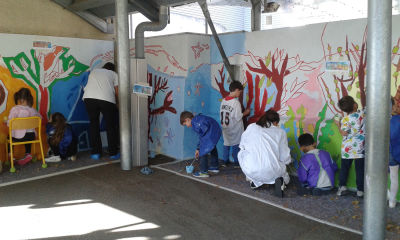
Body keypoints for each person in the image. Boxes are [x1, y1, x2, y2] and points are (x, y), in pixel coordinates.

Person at [238, 109, 292, 198]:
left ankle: (254, 181)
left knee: (242, 153)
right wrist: (287, 162)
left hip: (251, 169)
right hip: (272, 170)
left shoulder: (251, 127)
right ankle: (280, 181)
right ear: (275, 122)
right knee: (283, 169)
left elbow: (242, 145)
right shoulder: (280, 132)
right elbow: (284, 157)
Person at [83, 62, 120, 160]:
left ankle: (96, 153)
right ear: (112, 69)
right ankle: (113, 153)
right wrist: (118, 104)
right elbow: (117, 92)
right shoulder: (114, 74)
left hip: (89, 98)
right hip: (106, 99)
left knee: (93, 125)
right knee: (110, 126)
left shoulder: (94, 71)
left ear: (104, 67)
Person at [336, 96, 365, 197]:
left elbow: (343, 133)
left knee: (345, 169)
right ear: (355, 105)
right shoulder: (362, 114)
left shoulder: (345, 120)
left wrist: (338, 124)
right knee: (360, 170)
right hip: (360, 149)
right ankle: (360, 191)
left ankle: (342, 187)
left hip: (347, 149)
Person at [180, 111, 221, 178]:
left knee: (203, 151)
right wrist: (198, 148)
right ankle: (214, 167)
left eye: (185, 124)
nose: (187, 126)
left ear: (188, 119)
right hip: (215, 130)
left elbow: (203, 135)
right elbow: (202, 135)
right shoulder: (197, 119)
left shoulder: (195, 123)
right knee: (211, 147)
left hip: (212, 132)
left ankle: (203, 172)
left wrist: (199, 149)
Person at [219, 81, 250, 167]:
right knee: (236, 144)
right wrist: (246, 112)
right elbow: (238, 117)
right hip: (234, 127)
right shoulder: (235, 102)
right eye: (240, 92)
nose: (240, 94)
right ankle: (236, 162)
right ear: (236, 90)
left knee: (226, 143)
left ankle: (225, 161)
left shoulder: (223, 101)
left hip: (225, 127)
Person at [7, 88, 41, 165]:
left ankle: (10, 155)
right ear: (29, 98)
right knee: (28, 132)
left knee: (9, 136)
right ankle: (28, 154)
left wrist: (7, 122)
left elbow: (10, 123)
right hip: (31, 137)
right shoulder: (33, 110)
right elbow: (40, 119)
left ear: (19, 98)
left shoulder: (15, 109)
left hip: (19, 138)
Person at [389, 97, 400, 208]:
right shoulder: (397, 119)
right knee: (393, 177)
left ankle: (390, 199)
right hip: (396, 151)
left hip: (387, 153)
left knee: (392, 177)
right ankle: (392, 200)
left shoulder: (378, 120)